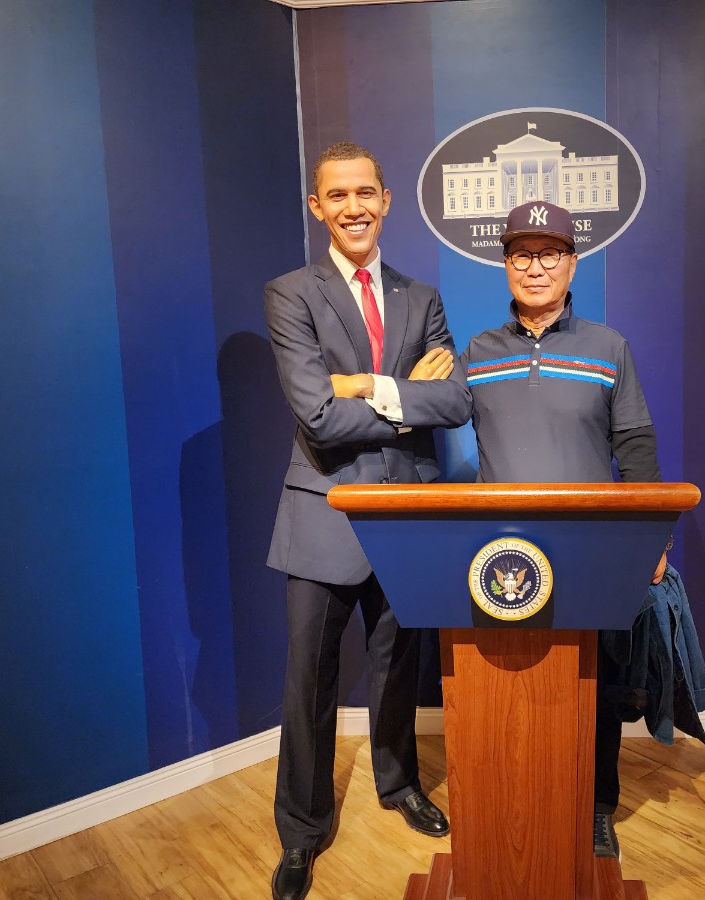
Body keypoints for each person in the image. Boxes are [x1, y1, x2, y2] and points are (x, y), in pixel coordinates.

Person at [263, 141, 471, 900]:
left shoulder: (422, 297)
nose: (353, 208)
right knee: (307, 682)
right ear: (318, 206)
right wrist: (402, 393)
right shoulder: (291, 293)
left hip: (408, 512)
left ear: (385, 200)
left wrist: (364, 386)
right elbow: (318, 417)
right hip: (323, 511)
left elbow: (456, 401)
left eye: (365, 194)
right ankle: (302, 830)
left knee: (399, 666)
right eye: (338, 196)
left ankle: (398, 783)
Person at [460, 200, 662, 862]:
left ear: (573, 264)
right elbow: (431, 411)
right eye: (522, 254)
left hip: (590, 548)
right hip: (501, 557)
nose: (536, 267)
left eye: (550, 254)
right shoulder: (477, 352)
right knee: (508, 683)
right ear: (506, 265)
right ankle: (511, 801)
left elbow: (635, 443)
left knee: (593, 683)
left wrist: (653, 538)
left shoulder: (608, 347)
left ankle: (598, 806)